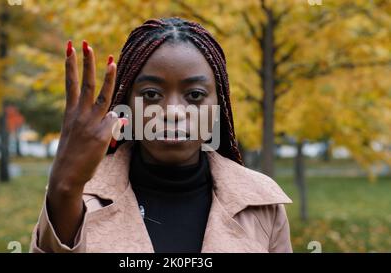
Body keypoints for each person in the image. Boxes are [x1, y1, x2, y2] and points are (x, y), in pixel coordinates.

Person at [30, 17, 292, 253]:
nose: (174, 112)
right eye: (152, 95)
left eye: (195, 95)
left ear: (218, 106)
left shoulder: (262, 203)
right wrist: (64, 188)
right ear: (127, 104)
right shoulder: (78, 197)